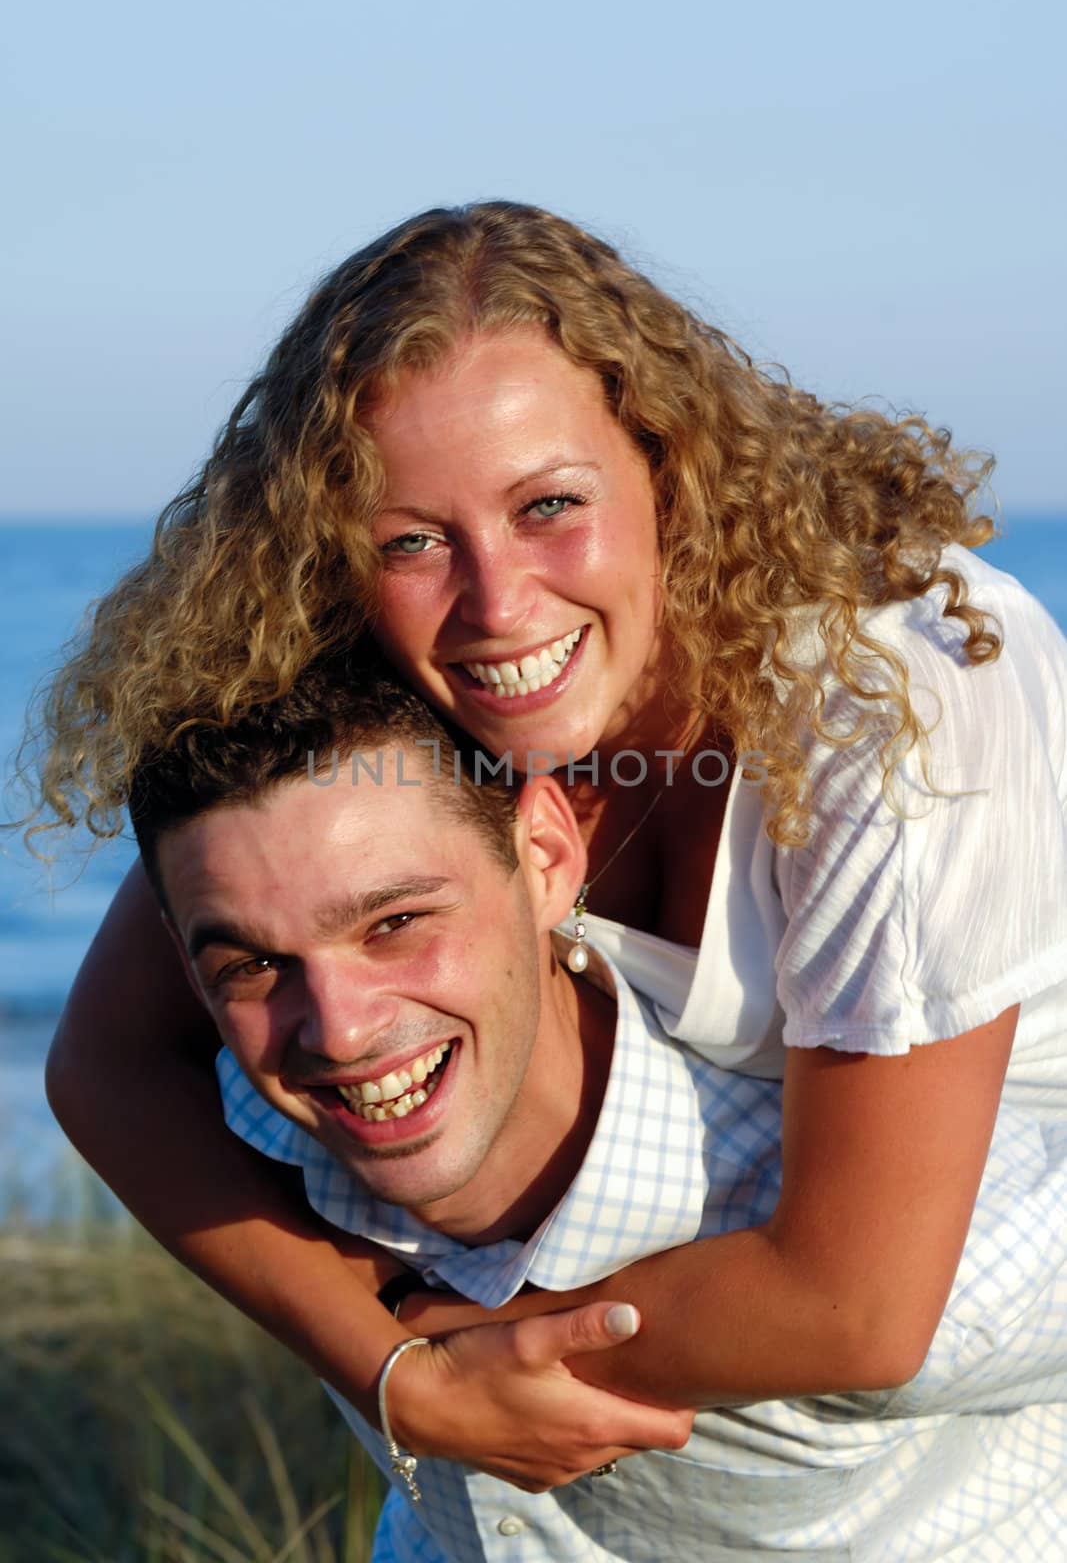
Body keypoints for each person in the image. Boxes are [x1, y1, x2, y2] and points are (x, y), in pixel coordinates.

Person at [32, 203, 1067, 1548]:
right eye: (409, 539)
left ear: (669, 466)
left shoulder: (897, 698)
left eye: (548, 508)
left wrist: (465, 1367)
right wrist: (394, 1373)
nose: (497, 603)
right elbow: (110, 1064)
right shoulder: (401, 677)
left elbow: (857, 1310)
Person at [125, 647, 1056, 1560]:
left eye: (395, 924)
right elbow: (107, 1074)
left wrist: (437, 1346)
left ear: (545, 857)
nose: (336, 1032)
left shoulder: (923, 1257)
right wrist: (397, 1362)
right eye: (251, 964)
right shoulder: (239, 1136)